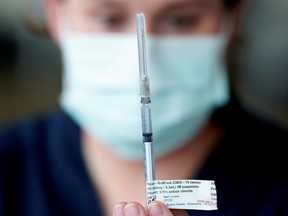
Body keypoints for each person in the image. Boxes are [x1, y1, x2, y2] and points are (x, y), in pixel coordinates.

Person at [0, 0, 287, 215]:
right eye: (109, 19)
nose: (143, 54)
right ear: (56, 16)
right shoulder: (8, 169)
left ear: (232, 19)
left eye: (180, 21)